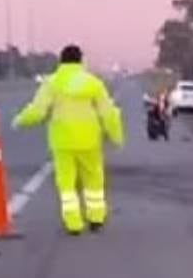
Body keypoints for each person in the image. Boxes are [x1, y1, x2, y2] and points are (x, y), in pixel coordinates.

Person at [15, 45, 123, 235]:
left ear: (61, 61)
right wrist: (116, 136)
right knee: (94, 180)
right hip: (89, 140)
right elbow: (108, 113)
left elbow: (38, 111)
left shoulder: (52, 83)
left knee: (66, 184)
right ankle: (96, 217)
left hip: (62, 141)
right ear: (81, 61)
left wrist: (19, 120)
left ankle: (73, 224)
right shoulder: (94, 83)